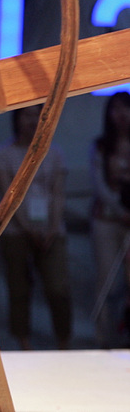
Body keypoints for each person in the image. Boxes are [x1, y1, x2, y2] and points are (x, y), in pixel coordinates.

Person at [0, 103, 72, 349]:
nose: (31, 120)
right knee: (19, 290)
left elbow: (58, 194)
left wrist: (52, 228)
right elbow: (7, 197)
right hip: (16, 230)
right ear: (16, 119)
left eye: (37, 115)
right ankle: (24, 345)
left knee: (58, 289)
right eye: (26, 115)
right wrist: (28, 228)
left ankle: (64, 344)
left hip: (51, 231)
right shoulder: (3, 155)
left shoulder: (55, 153)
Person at [90, 91, 130, 347]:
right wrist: (119, 210)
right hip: (107, 220)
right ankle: (103, 338)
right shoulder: (101, 146)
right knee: (106, 278)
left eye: (126, 108)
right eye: (116, 109)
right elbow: (100, 186)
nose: (122, 115)